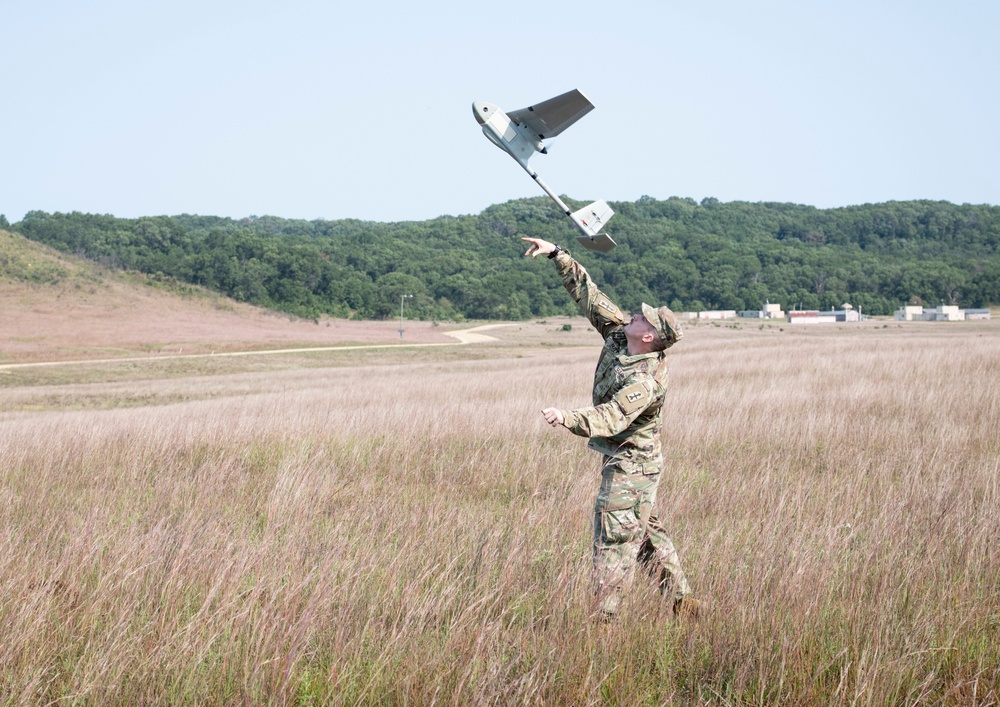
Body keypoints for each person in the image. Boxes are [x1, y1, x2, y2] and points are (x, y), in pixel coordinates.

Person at [522, 236, 699, 621]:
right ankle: (684, 605)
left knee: (613, 538)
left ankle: (603, 621)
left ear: (649, 336)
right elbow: (590, 296)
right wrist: (557, 254)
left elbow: (611, 417)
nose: (635, 314)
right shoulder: (621, 333)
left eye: (643, 318)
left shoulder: (647, 381)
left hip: (632, 465)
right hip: (625, 460)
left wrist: (566, 417)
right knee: (647, 535)